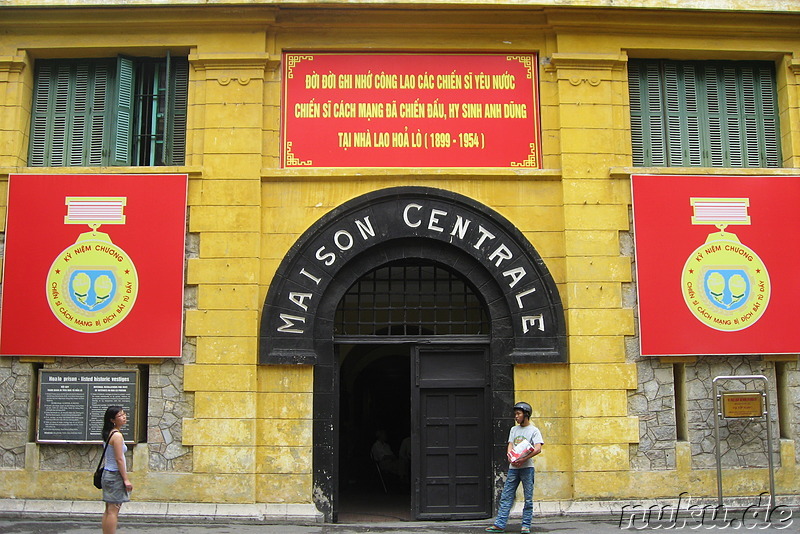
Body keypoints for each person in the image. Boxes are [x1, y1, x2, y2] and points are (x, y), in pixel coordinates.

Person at [486, 401, 543, 534]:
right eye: (515, 414)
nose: (516, 417)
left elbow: (538, 448)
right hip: (513, 467)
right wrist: (510, 455)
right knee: (506, 495)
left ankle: (526, 525)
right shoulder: (514, 429)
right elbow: (510, 444)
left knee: (528, 498)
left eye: (518, 414)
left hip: (527, 468)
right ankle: (500, 524)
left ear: (526, 415)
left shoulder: (534, 430)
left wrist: (523, 459)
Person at [101, 406, 132, 534]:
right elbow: (119, 459)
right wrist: (126, 479)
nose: (124, 417)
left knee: (108, 509)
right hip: (114, 475)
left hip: (107, 473)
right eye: (120, 415)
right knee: (114, 510)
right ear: (112, 419)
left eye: (124, 414)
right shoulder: (117, 436)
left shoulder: (109, 433)